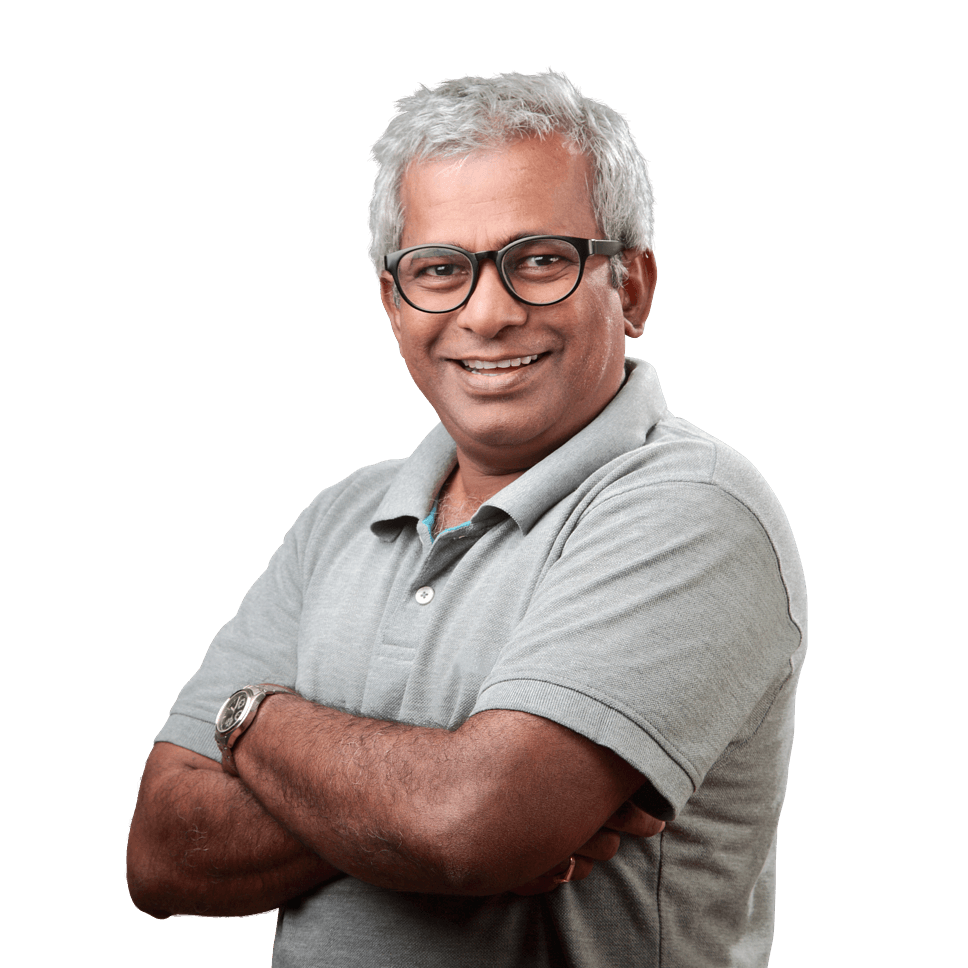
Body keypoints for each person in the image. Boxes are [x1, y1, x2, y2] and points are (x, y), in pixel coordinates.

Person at [126, 70, 807, 968]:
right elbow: (161, 852)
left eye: (539, 259)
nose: (486, 314)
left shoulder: (693, 509)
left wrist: (251, 728)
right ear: (392, 302)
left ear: (632, 287)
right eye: (440, 270)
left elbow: (470, 826)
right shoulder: (340, 516)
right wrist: (422, 797)